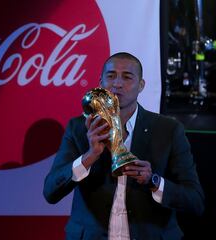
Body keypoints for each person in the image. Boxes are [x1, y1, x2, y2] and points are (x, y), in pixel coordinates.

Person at [43, 52, 205, 240]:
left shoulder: (168, 130)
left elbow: (195, 201)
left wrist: (153, 181)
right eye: (111, 76)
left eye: (127, 77)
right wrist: (89, 156)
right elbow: (50, 193)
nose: (117, 83)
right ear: (100, 82)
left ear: (141, 85)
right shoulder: (78, 128)